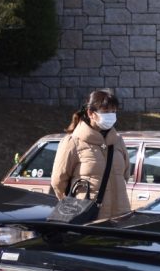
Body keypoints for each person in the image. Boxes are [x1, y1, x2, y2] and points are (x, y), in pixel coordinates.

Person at [50, 89, 131, 219]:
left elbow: (125, 175)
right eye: (105, 112)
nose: (111, 115)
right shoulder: (73, 142)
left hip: (120, 216)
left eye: (114, 111)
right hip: (88, 218)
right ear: (91, 113)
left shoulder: (117, 141)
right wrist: (70, 205)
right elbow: (58, 181)